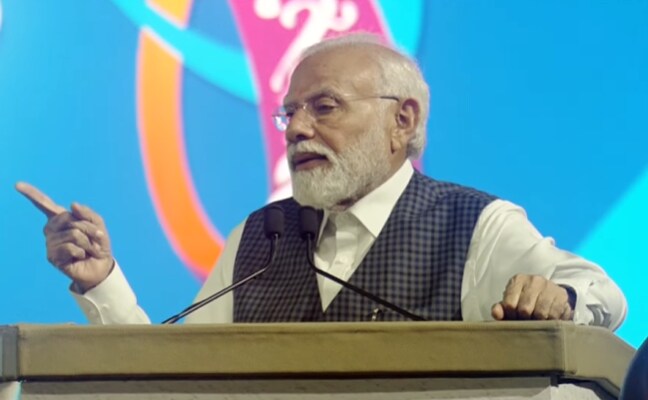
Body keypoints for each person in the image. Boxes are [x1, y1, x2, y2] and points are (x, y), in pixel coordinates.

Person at [16, 33, 627, 327]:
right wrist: (102, 282)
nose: (298, 129)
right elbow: (172, 379)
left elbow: (601, 292)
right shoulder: (261, 237)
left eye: (324, 107)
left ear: (402, 120)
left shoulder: (475, 226)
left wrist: (559, 300)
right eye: (290, 114)